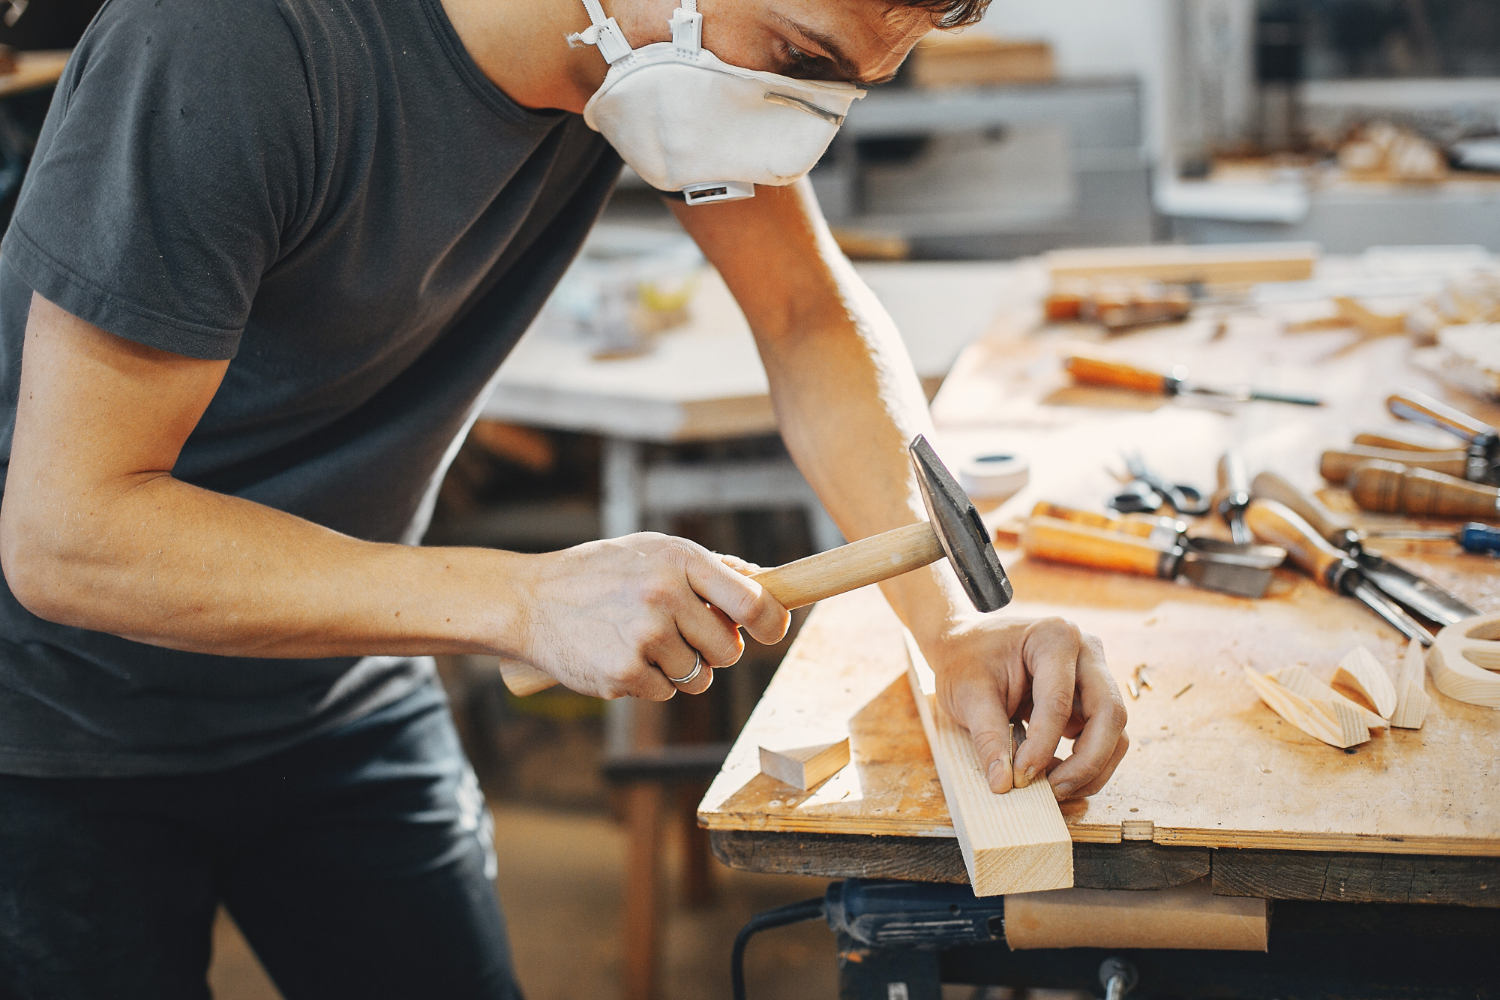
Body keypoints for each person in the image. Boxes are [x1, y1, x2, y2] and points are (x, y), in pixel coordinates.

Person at [0, 0, 1128, 996]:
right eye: (794, 53)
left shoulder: (637, 68)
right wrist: (522, 600)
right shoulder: (230, 44)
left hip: (334, 673)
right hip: (49, 724)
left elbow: (804, 316)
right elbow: (67, 534)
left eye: (842, 85)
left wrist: (957, 627)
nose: (801, 115)